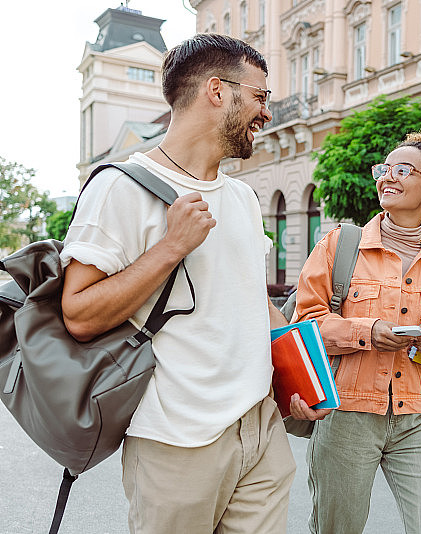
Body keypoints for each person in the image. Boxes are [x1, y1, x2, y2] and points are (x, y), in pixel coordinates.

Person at [60, 34, 296, 533]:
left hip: (260, 430)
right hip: (176, 439)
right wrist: (171, 247)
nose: (266, 113)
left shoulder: (243, 198)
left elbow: (254, 304)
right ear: (217, 90)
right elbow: (78, 314)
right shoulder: (119, 186)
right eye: (259, 96)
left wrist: (298, 381)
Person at [293, 128, 421, 533]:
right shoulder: (339, 245)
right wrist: (367, 330)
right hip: (346, 414)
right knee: (335, 528)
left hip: (420, 417)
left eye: (402, 170)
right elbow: (305, 325)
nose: (387, 177)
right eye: (384, 168)